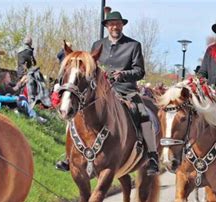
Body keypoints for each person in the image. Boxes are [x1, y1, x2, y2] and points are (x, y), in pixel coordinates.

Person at [56, 11, 159, 175]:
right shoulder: (97, 45)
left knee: (143, 113)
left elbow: (140, 71)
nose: (115, 27)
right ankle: (69, 155)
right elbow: (89, 68)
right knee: (76, 113)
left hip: (125, 90)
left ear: (122, 25)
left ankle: (152, 155)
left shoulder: (134, 45)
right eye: (111, 24)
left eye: (118, 24)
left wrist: (123, 74)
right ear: (107, 27)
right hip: (99, 92)